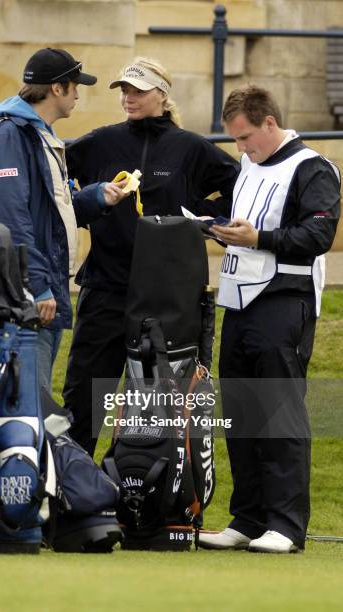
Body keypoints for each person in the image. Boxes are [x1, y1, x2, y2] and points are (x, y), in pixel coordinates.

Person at [62, 56, 240, 455]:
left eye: (138, 90)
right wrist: (85, 208)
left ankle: (144, 493)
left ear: (162, 95)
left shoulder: (191, 148)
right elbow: (55, 182)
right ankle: (70, 495)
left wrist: (205, 219)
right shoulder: (100, 141)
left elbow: (240, 185)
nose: (129, 97)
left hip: (167, 295)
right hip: (105, 287)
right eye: (124, 89)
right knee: (86, 395)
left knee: (157, 402)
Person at [198, 85, 341, 553]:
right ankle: (248, 519)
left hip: (285, 302)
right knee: (241, 415)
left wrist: (258, 237)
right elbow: (248, 226)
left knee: (281, 414)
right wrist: (222, 229)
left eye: (245, 138)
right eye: (235, 140)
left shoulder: (312, 167)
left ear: (269, 124)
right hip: (238, 303)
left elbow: (318, 234)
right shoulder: (248, 167)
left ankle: (286, 524)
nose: (241, 148)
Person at [0, 48, 127, 394]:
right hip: (17, 299)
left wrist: (97, 197)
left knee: (30, 406)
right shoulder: (8, 136)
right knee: (21, 410)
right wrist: (36, 285)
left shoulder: (39, 136)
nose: (79, 94)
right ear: (57, 89)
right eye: (75, 86)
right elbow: (9, 220)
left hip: (36, 292)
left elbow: (46, 215)